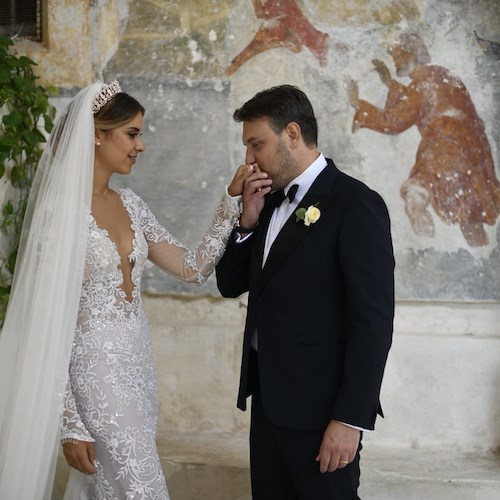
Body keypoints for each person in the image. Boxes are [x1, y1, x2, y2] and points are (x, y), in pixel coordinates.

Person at [0, 81, 250, 499]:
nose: (142, 146)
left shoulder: (132, 204)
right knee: (142, 489)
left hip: (137, 369)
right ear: (96, 134)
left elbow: (193, 268)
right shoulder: (57, 217)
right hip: (93, 376)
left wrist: (231, 202)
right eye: (132, 134)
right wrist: (69, 423)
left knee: (109, 490)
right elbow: (43, 328)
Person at [216, 84, 395, 499]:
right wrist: (246, 221)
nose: (249, 159)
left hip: (324, 414)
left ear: (292, 134)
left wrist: (350, 420)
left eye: (256, 144)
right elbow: (229, 284)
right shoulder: (264, 202)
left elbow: (373, 323)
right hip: (267, 406)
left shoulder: (355, 204)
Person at [346, 32, 500, 247]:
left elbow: (394, 121)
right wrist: (390, 83)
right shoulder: (442, 75)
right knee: (470, 215)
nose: (396, 62)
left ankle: (426, 246)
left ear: (414, 54)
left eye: (400, 56)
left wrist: (357, 104)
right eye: (395, 58)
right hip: (471, 152)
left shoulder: (421, 87)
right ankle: (480, 258)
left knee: (416, 197)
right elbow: (419, 104)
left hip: (445, 153)